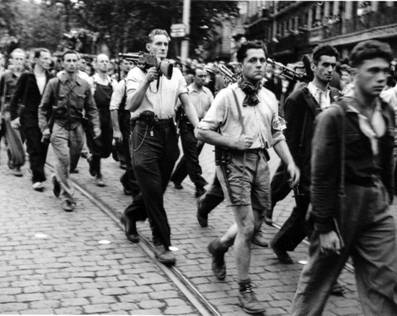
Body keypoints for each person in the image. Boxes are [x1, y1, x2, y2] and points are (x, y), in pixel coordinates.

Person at [291, 40, 397, 315]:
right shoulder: (334, 116)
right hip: (340, 206)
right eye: (373, 70)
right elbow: (321, 175)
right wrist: (325, 226)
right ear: (354, 72)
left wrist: (386, 195)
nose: (382, 77)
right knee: (316, 284)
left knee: (386, 282)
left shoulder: (386, 112)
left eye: (385, 70)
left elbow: (385, 162)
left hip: (375, 207)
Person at [196, 41, 299, 314]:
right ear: (240, 64)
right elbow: (202, 131)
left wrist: (290, 163)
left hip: (260, 162)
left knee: (254, 221)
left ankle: (219, 247)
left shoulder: (269, 97)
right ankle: (245, 288)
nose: (258, 64)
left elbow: (277, 134)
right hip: (233, 163)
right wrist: (232, 141)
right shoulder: (226, 96)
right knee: (246, 228)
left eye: (262, 60)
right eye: (252, 60)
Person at [120, 29, 199, 266]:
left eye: (166, 43)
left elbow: (186, 103)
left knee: (157, 188)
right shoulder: (135, 73)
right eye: (158, 43)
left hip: (167, 134)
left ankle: (131, 215)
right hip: (143, 133)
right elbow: (130, 105)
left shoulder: (176, 74)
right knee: (153, 190)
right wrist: (146, 80)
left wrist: (199, 127)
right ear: (148, 47)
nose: (163, 47)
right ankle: (162, 242)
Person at [269, 45, 342, 264]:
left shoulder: (337, 96)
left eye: (333, 65)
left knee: (304, 214)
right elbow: (290, 140)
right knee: (316, 216)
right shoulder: (297, 98)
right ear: (315, 66)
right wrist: (294, 169)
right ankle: (326, 268)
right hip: (305, 168)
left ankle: (281, 243)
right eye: (325, 65)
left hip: (328, 167)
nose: (329, 70)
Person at [38, 50, 100, 212]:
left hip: (77, 128)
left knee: (70, 164)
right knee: (63, 160)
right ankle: (68, 197)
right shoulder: (54, 83)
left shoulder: (85, 85)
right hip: (59, 126)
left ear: (79, 63)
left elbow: (92, 108)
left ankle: (57, 178)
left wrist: (96, 125)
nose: (72, 63)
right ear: (63, 63)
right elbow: (43, 108)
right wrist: (44, 128)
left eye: (74, 60)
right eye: (68, 61)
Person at [9, 48, 53, 191]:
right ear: (36, 60)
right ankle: (37, 177)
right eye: (45, 58)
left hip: (45, 118)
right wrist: (14, 117)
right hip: (29, 117)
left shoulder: (51, 77)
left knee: (43, 146)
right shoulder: (26, 77)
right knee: (34, 146)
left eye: (49, 58)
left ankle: (37, 170)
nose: (48, 61)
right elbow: (15, 98)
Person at [170, 67, 213, 197]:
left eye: (205, 76)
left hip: (202, 127)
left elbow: (213, 110)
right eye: (200, 76)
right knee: (192, 157)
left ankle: (176, 177)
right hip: (187, 127)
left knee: (190, 156)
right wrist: (174, 126)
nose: (203, 78)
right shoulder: (186, 91)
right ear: (193, 77)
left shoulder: (208, 92)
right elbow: (175, 108)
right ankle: (199, 185)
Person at [86, 54, 117, 187]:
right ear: (96, 64)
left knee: (107, 150)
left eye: (106, 61)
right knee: (97, 147)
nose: (104, 64)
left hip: (108, 117)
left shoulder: (113, 82)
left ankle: (92, 159)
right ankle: (98, 173)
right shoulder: (91, 81)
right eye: (101, 61)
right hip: (95, 117)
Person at [0, 48, 27, 176]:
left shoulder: (28, 75)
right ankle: (17, 164)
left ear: (24, 61)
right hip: (9, 110)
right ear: (12, 60)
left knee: (21, 138)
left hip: (23, 111)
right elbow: (2, 94)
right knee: (14, 136)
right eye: (16, 59)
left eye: (21, 59)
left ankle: (13, 157)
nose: (18, 61)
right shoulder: (5, 76)